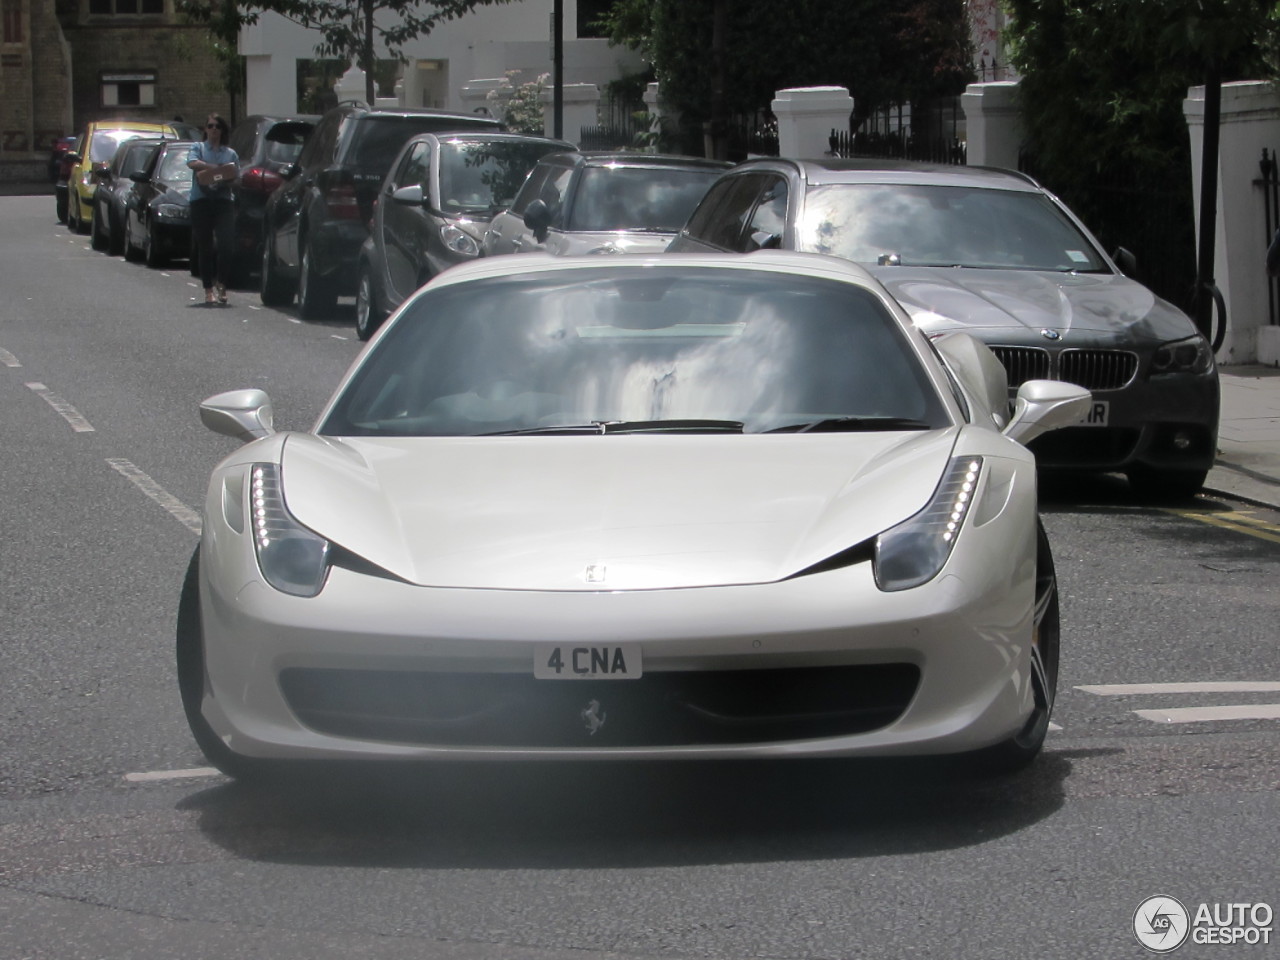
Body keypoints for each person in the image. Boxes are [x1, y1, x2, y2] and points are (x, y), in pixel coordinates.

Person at [187, 114, 239, 305]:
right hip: (201, 201)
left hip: (223, 201)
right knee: (205, 246)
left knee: (226, 245)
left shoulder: (230, 154)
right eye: (210, 126)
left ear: (223, 130)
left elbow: (236, 177)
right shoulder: (198, 148)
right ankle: (208, 288)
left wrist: (226, 177)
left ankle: (222, 283)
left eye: (217, 126)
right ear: (206, 129)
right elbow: (192, 163)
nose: (214, 129)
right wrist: (213, 168)